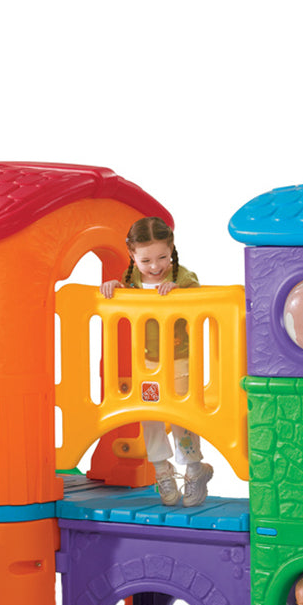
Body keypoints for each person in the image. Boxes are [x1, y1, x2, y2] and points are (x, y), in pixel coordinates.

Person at [99, 216, 213, 507]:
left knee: (181, 416)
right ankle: (162, 471)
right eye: (146, 260)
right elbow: (123, 294)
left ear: (171, 248)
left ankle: (194, 470)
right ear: (132, 255)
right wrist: (114, 287)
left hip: (180, 362)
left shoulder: (182, 277)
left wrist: (178, 292)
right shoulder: (133, 280)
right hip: (147, 365)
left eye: (162, 257)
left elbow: (201, 298)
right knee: (151, 415)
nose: (155, 267)